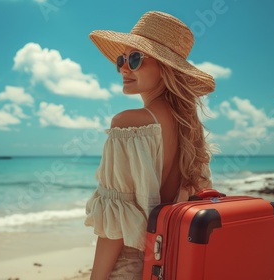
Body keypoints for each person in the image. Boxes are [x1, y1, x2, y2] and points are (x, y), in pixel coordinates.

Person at [84, 11, 216, 279]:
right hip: (171, 263)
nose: (123, 68)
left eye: (135, 59)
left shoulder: (128, 124)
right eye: (122, 59)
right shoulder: (190, 130)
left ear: (165, 67)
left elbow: (115, 228)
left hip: (130, 267)